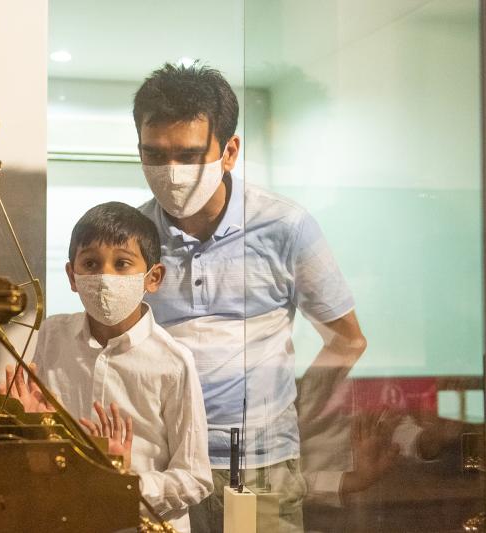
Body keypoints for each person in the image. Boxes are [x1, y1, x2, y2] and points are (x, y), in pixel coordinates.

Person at [133, 63, 368, 532]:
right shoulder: (133, 238)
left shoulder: (285, 227)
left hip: (262, 467)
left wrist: (294, 411)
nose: (171, 173)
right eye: (154, 155)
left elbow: (347, 339)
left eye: (189, 154)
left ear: (230, 151)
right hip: (164, 466)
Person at [3, 201, 213, 533]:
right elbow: (39, 448)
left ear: (153, 277)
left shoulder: (173, 362)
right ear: (72, 276)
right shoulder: (52, 336)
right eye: (91, 263)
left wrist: (127, 483)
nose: (104, 277)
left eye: (122, 263)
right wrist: (29, 424)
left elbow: (196, 477)